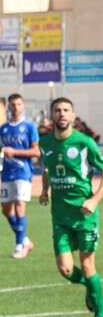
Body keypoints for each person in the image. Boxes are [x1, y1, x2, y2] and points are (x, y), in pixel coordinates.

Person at [38, 98, 103, 317]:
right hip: (59, 217)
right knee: (66, 269)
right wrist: (44, 191)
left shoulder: (84, 143)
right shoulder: (45, 143)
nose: (61, 114)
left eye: (66, 111)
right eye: (57, 111)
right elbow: (48, 168)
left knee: (87, 264)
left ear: (73, 116)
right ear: (52, 116)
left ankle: (100, 316)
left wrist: (94, 200)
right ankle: (90, 287)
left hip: (84, 216)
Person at [1, 94, 41, 258]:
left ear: (23, 106)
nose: (16, 107)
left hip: (23, 172)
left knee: (19, 206)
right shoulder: (3, 128)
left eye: (18, 104)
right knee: (6, 210)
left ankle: (19, 245)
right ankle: (25, 240)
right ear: (9, 107)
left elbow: (37, 152)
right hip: (7, 173)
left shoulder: (29, 126)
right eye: (13, 105)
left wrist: (15, 151)